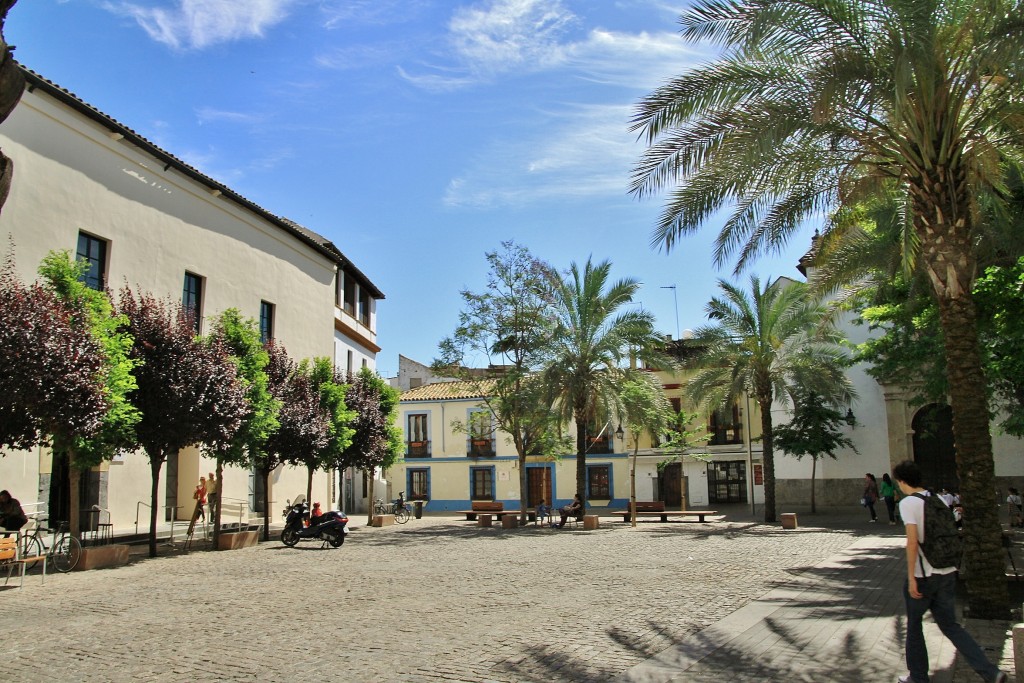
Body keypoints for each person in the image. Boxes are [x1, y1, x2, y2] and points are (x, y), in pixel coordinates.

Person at [893, 460, 1008, 683]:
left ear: (902, 481)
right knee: (951, 626)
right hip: (947, 572)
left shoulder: (909, 503)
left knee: (914, 627)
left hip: (923, 575)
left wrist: (911, 577)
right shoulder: (937, 500)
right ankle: (990, 672)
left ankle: (918, 677)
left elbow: (912, 542)